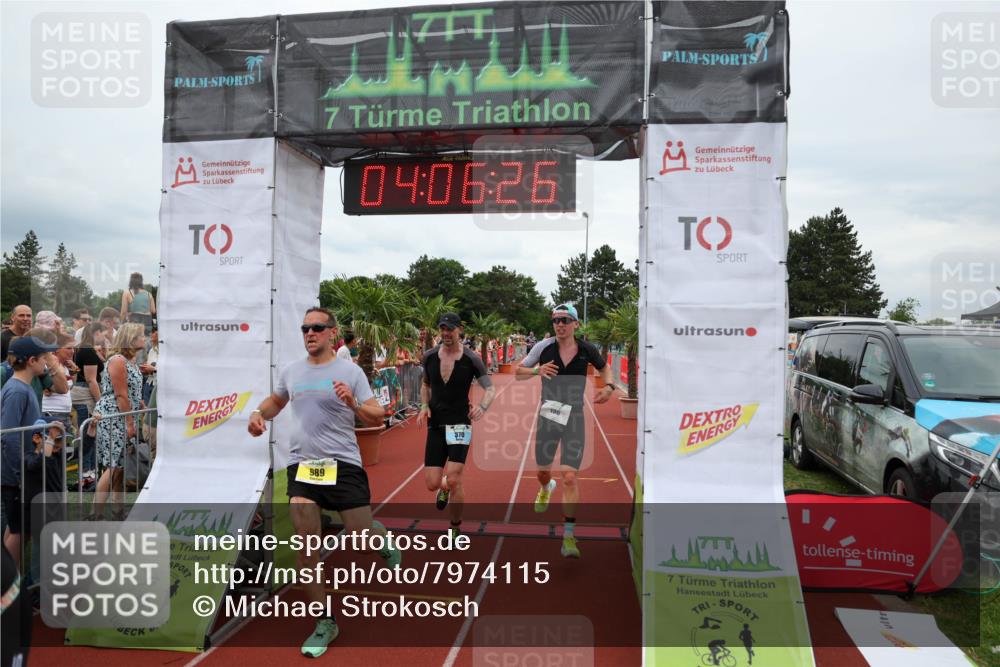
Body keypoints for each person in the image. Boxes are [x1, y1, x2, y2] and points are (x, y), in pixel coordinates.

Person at [247, 307, 400, 658]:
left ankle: (379, 535)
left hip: (343, 464)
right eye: (305, 328)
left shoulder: (350, 371)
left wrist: (354, 402)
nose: (310, 333)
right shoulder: (293, 371)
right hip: (305, 466)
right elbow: (276, 401)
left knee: (360, 535)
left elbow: (379, 413)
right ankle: (324, 621)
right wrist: (258, 415)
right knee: (306, 549)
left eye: (317, 328)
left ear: (332, 332)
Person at [516, 303, 615, 559]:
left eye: (565, 320)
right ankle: (545, 487)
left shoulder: (586, 349)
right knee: (542, 471)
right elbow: (518, 372)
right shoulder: (543, 347)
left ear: (575, 324)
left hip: (575, 416)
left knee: (570, 476)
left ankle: (569, 535)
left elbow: (604, 368)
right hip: (548, 415)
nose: (560, 324)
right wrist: (537, 370)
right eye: (556, 320)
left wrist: (609, 386)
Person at [417, 313, 495, 538]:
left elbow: (490, 388)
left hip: (460, 423)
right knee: (433, 483)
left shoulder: (472, 359)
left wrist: (482, 407)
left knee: (454, 478)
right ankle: (442, 489)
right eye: (442, 329)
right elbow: (425, 385)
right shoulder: (430, 356)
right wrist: (423, 406)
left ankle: (454, 527)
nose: (446, 333)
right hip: (436, 425)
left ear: (459, 330)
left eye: (450, 329)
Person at [1, 334, 57, 569]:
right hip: (17, 475)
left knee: (17, 529)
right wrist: (19, 475)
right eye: (45, 358)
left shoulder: (23, 388)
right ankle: (11, 593)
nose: (48, 362)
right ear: (32, 360)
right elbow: (9, 436)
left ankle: (14, 588)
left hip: (21, 471)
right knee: (18, 532)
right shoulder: (17, 391)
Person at [93, 323, 145, 518]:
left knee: (121, 466)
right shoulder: (118, 360)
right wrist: (129, 423)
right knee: (113, 466)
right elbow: (120, 395)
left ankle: (117, 509)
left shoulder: (130, 361)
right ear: (130, 339)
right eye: (140, 336)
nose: (144, 339)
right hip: (115, 417)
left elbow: (130, 391)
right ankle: (96, 512)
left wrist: (139, 402)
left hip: (124, 415)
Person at [71, 322, 107, 481]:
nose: (104, 336)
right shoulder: (88, 352)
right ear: (96, 332)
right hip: (85, 395)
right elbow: (91, 380)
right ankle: (86, 472)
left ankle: (91, 470)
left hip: (83, 393)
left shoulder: (86, 349)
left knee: (90, 434)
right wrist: (100, 402)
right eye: (102, 333)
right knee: (87, 434)